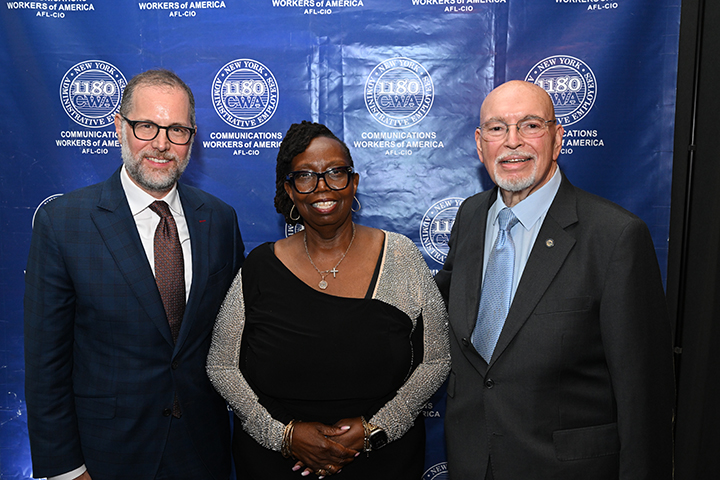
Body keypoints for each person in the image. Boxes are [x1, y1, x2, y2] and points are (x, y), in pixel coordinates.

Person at [435, 80, 675, 480]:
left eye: (530, 125)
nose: (512, 141)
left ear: (557, 138)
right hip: (472, 462)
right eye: (497, 128)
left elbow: (643, 394)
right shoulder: (470, 216)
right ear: (480, 144)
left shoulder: (615, 236)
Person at [24, 69, 245, 480]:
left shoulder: (219, 219)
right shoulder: (64, 223)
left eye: (177, 130)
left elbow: (231, 342)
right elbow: (45, 363)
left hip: (202, 452)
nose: (161, 143)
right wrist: (67, 470)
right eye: (146, 126)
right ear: (119, 127)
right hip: (106, 456)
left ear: (192, 138)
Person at [206, 121, 450, 480]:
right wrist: (284, 435)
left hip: (383, 463)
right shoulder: (259, 267)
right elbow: (221, 366)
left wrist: (375, 429)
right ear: (289, 189)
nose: (322, 187)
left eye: (335, 172)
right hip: (275, 466)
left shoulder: (401, 257)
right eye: (305, 176)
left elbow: (436, 360)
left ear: (353, 182)